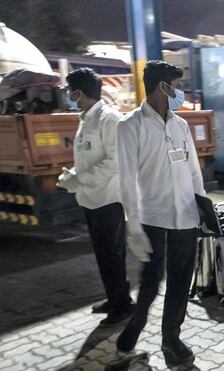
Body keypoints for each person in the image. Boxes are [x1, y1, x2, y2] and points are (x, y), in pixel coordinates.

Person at [116, 60, 206, 365]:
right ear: (161, 87)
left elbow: (194, 171)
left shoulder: (180, 125)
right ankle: (137, 322)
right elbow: (126, 179)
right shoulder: (130, 126)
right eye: (177, 87)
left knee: (181, 279)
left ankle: (171, 338)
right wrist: (134, 226)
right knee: (151, 280)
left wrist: (203, 207)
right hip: (152, 217)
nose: (180, 92)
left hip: (185, 216)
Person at [59, 68, 134, 326]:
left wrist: (80, 178)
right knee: (104, 255)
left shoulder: (109, 119)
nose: (69, 96)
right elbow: (91, 158)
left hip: (108, 200)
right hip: (91, 199)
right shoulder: (86, 119)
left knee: (113, 255)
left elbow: (115, 162)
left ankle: (123, 306)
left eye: (71, 92)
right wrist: (74, 175)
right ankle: (114, 299)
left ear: (79, 92)